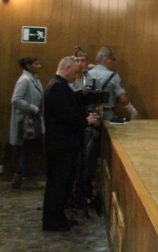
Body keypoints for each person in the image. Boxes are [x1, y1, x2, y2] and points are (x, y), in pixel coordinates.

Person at [42, 56, 99, 232]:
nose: (75, 76)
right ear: (66, 69)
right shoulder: (57, 88)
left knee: (63, 183)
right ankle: (53, 220)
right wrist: (86, 120)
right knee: (59, 183)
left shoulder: (58, 86)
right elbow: (66, 115)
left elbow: (71, 103)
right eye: (74, 73)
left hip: (62, 144)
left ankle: (58, 216)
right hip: (61, 145)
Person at [9, 56, 45, 189]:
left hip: (31, 120)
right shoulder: (25, 80)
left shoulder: (33, 79)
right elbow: (16, 99)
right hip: (25, 121)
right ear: (28, 66)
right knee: (27, 148)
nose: (39, 66)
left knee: (29, 149)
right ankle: (24, 177)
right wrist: (31, 107)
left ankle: (20, 176)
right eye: (36, 64)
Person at [86, 47, 138, 122]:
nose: (114, 62)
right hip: (107, 114)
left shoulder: (88, 74)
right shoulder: (113, 76)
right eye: (113, 59)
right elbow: (123, 99)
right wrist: (133, 111)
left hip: (90, 115)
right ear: (106, 60)